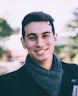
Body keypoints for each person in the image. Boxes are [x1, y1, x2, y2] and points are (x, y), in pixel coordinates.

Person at [0, 11, 78, 96]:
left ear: (55, 38)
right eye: (32, 37)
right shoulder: (6, 84)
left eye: (45, 36)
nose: (40, 44)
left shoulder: (75, 72)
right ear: (23, 42)